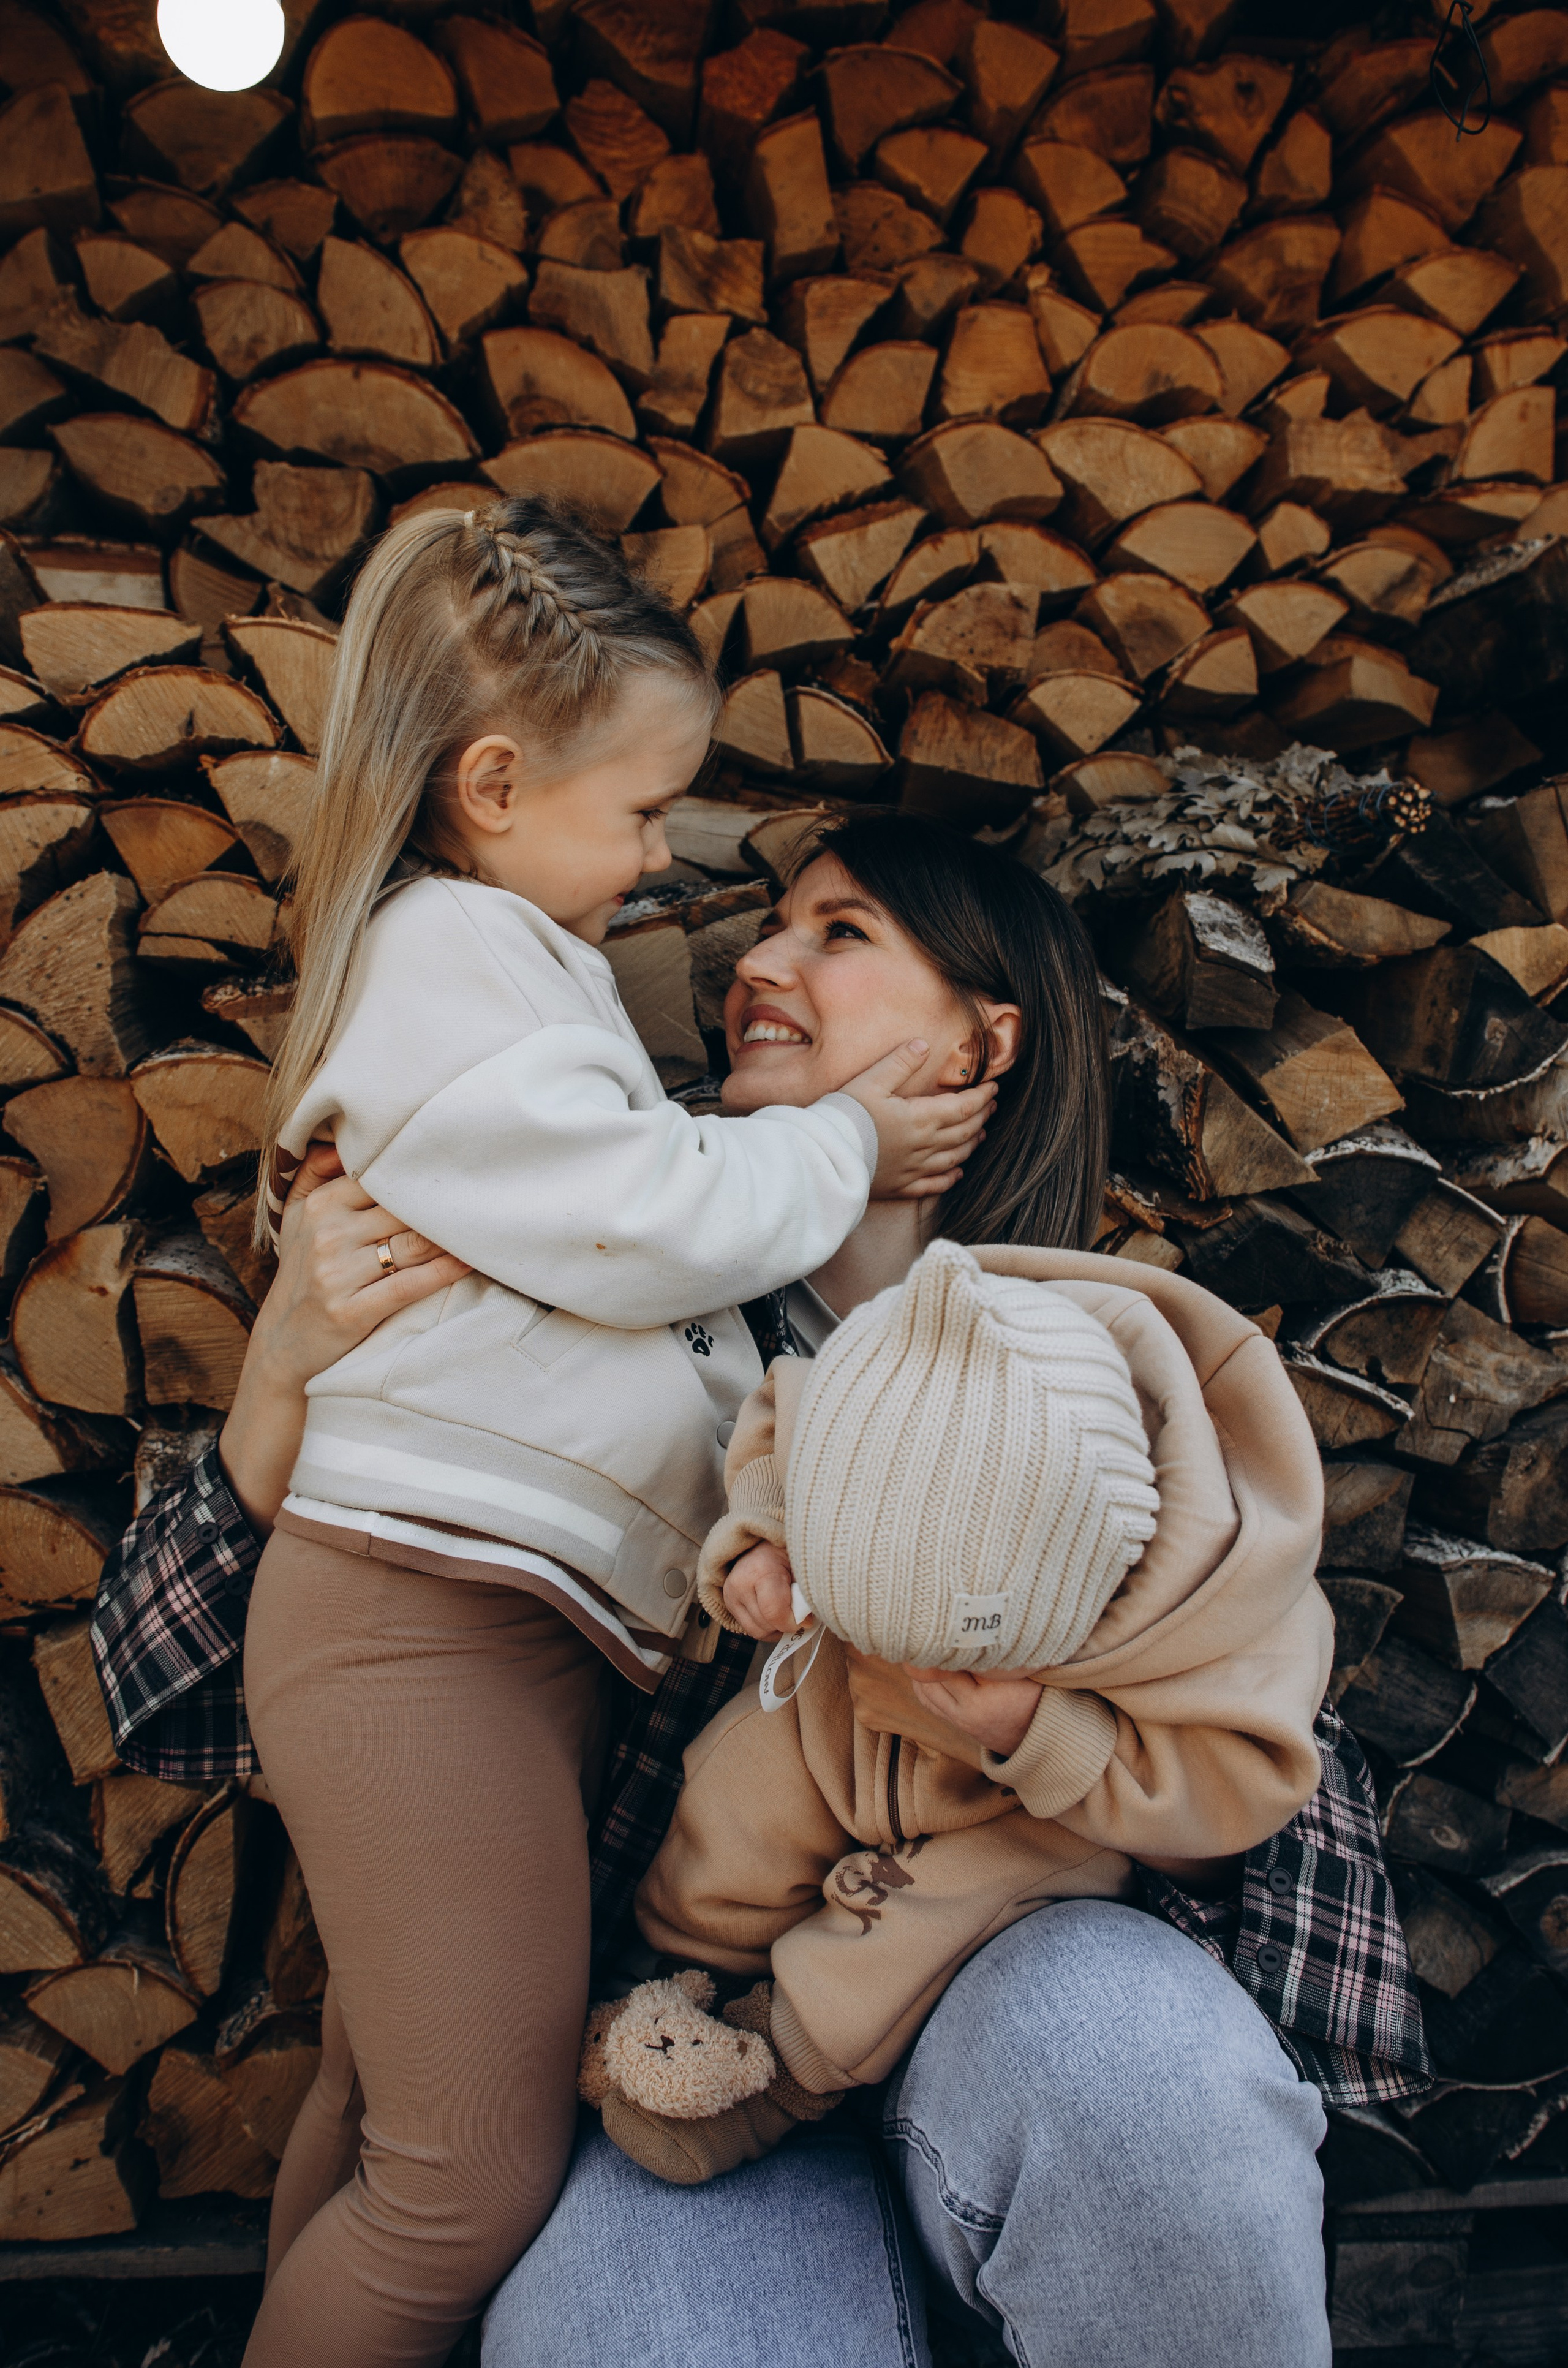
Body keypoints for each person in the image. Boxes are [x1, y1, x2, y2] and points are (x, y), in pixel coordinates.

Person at [94, 812, 1428, 2368]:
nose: (759, 965)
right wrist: (276, 1389)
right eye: (769, 926)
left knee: (1143, 2085)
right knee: (649, 2338)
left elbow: (1272, 1795)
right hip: (668, 2052)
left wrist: (1033, 1735)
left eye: (841, 932)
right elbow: (167, 1694)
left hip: (1000, 1990)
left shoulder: (1102, 1355)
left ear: (983, 1037)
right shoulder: (568, 1265)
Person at [215, 496, 999, 2368]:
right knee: (461, 2188)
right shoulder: (459, 960)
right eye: (645, 812)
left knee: (380, 2112)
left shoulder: (509, 975)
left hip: (483, 1644)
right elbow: (645, 1220)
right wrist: (845, 1149)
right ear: (492, 780)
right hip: (424, 1632)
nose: (664, 863)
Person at [590, 1231, 1330, 2188]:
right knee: (738, 1794)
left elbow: (1241, 1785)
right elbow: (787, 1413)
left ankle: (777, 2067)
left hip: (1023, 1807)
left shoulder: (1218, 1608)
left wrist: (1039, 1734)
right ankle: (660, 1984)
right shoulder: (887, 1379)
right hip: (839, 1709)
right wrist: (766, 1547)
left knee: (928, 1915)